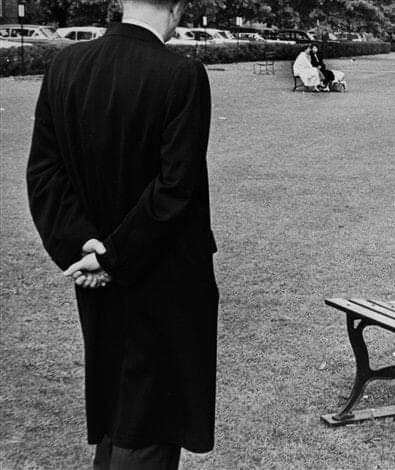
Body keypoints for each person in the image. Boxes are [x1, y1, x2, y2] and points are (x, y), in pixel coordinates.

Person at [26, 0, 219, 468]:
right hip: (160, 275)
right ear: (177, 8)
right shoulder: (181, 75)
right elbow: (175, 189)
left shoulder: (65, 65)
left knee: (118, 403)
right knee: (150, 417)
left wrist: (84, 244)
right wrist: (109, 255)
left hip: (101, 270)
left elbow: (45, 174)